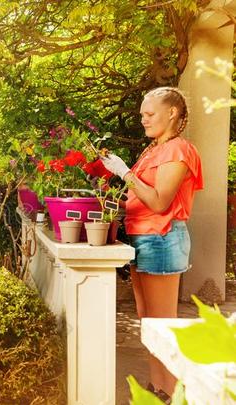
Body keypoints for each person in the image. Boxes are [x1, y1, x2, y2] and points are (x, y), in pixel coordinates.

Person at [100, 87, 203, 400]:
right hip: (142, 239)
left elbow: (159, 202)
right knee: (148, 324)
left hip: (162, 238)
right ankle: (158, 389)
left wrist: (125, 173)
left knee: (162, 325)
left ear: (171, 113)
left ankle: (172, 393)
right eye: (142, 114)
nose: (143, 119)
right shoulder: (153, 151)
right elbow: (140, 197)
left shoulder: (179, 150)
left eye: (149, 114)